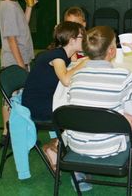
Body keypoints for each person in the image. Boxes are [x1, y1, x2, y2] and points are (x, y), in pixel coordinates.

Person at [63, 26, 132, 194]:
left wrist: (120, 114)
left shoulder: (76, 76)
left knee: (119, 119)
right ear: (112, 51)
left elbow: (89, 106)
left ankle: (78, 172)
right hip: (109, 147)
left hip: (76, 145)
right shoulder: (121, 76)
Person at [21, 21, 88, 169]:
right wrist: (85, 62)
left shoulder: (63, 54)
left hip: (42, 99)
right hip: (36, 107)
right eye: (82, 37)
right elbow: (65, 79)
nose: (85, 39)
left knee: (75, 105)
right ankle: (54, 146)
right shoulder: (57, 56)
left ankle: (56, 145)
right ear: (72, 40)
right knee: (75, 112)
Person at [0, 0, 37, 142]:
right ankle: (7, 133)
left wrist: (29, 7)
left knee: (16, 97)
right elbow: (11, 39)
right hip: (14, 61)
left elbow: (22, 28)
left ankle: (12, 131)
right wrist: (21, 66)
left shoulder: (13, 4)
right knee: (11, 98)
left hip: (20, 59)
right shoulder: (7, 6)